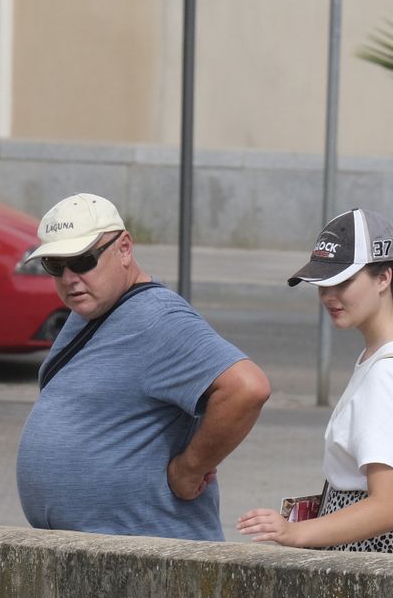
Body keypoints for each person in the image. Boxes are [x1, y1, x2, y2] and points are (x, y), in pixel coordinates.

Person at [15, 192, 270, 539]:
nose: (70, 278)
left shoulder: (157, 317)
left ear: (124, 249)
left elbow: (247, 387)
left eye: (83, 260)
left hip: (152, 559)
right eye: (55, 266)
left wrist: (189, 469)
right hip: (95, 552)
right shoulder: (90, 309)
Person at [236, 209, 393, 556]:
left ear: (383, 279)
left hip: (383, 558)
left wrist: (294, 532)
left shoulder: (389, 376)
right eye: (322, 283)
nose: (329, 295)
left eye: (343, 281)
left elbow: (388, 508)